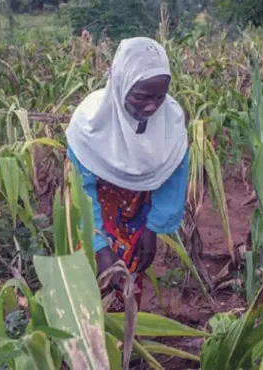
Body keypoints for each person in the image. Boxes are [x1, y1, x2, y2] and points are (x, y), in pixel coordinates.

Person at [65, 37, 189, 312]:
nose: (151, 107)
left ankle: (124, 342)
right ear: (120, 84)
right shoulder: (89, 125)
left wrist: (153, 228)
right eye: (141, 96)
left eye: (160, 96)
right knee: (90, 278)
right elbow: (79, 189)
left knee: (131, 277)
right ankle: (88, 345)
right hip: (95, 214)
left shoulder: (171, 121)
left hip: (138, 218)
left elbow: (174, 173)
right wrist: (98, 244)